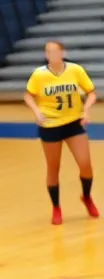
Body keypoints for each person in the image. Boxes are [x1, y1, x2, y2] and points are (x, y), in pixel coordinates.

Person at [23, 40, 97, 225]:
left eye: (56, 51)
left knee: (85, 164)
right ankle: (56, 207)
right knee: (53, 167)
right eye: (49, 52)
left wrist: (86, 110)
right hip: (50, 125)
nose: (53, 55)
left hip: (73, 122)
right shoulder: (39, 74)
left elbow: (91, 93)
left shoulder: (75, 70)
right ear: (46, 55)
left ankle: (86, 197)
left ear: (63, 52)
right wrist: (36, 111)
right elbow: (28, 96)